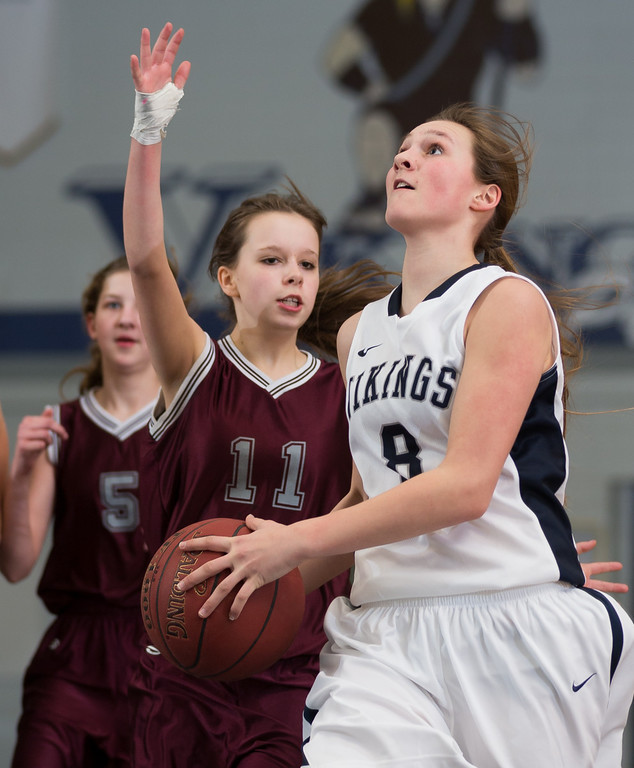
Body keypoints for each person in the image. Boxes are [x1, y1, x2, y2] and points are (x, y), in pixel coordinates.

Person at [178, 102, 634, 766]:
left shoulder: (505, 301)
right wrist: (250, 585)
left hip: (512, 627)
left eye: (434, 149)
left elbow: (467, 488)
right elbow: (369, 500)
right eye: (404, 148)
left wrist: (293, 541)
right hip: (385, 636)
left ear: (485, 196)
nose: (404, 157)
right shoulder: (357, 333)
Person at [122, 23, 397, 768]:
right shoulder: (196, 367)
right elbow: (147, 263)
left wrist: (536, 566)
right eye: (272, 259)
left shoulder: (349, 386)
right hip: (183, 665)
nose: (295, 276)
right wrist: (150, 128)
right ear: (229, 278)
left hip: (295, 673)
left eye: (307, 262)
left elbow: (379, 512)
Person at [1, 256, 161, 768]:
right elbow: (16, 563)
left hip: (163, 653)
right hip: (76, 654)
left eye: (139, 306)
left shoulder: (192, 422)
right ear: (92, 324)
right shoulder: (59, 427)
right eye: (112, 305)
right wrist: (21, 469)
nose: (127, 318)